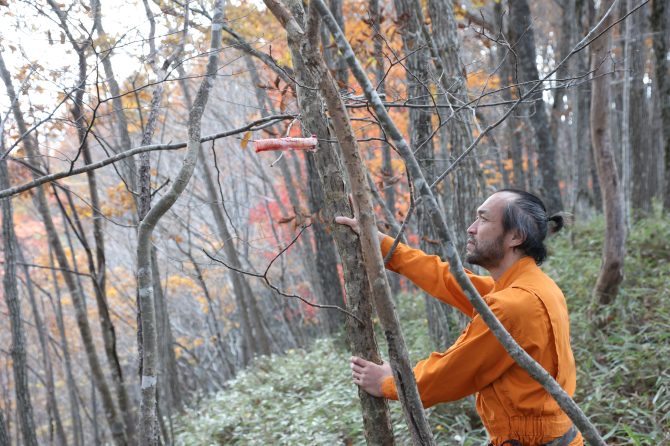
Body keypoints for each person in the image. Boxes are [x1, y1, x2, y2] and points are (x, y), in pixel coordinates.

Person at [335, 189, 583, 446]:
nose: (471, 228)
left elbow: (447, 375)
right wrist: (383, 245)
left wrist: (388, 382)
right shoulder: (534, 287)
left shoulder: (514, 305)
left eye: (484, 219)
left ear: (516, 237)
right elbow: (447, 280)